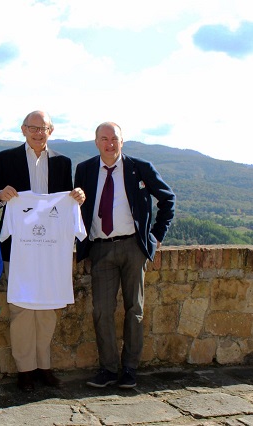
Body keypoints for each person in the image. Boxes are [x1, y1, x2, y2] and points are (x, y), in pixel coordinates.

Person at [0, 110, 85, 393]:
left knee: (47, 309)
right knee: (21, 310)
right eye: (33, 128)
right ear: (23, 129)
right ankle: (25, 370)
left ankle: (44, 366)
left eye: (44, 128)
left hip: (51, 249)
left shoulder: (63, 162)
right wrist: (0, 195)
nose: (39, 133)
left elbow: (67, 200)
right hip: (18, 247)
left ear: (51, 131)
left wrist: (77, 196)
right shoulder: (6, 158)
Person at [75, 122, 175, 389]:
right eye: (104, 139)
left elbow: (168, 199)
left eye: (114, 139)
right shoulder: (84, 169)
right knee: (102, 311)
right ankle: (108, 369)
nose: (110, 144)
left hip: (133, 247)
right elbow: (77, 207)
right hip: (100, 248)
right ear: (96, 142)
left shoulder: (140, 168)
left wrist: (156, 236)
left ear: (122, 141)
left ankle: (130, 369)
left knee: (135, 309)